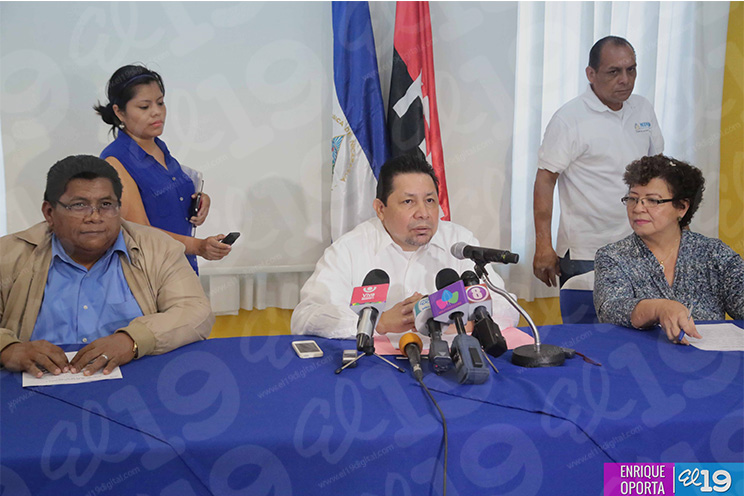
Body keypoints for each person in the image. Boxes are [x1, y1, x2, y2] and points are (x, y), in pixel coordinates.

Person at [0, 156, 215, 377]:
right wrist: (7, 348)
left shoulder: (158, 248)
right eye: (79, 205)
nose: (95, 217)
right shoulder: (8, 254)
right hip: (37, 386)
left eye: (106, 205)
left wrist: (132, 340)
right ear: (49, 213)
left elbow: (195, 311)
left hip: (135, 384)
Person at [291, 155, 519, 339]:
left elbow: (507, 307)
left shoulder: (459, 242)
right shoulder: (350, 249)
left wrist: (456, 321)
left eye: (430, 200)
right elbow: (306, 316)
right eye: (408, 201)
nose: (423, 213)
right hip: (375, 369)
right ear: (380, 209)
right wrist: (377, 324)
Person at [533, 36, 664, 288]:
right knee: (588, 316)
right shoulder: (569, 118)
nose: (625, 79)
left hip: (640, 245)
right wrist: (543, 245)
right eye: (614, 72)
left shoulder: (642, 108)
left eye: (631, 70)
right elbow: (545, 180)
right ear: (591, 74)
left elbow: (658, 172)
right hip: (586, 251)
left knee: (645, 313)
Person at [94, 64, 231, 273]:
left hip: (181, 267)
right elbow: (140, 232)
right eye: (144, 107)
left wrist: (201, 201)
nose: (157, 112)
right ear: (119, 112)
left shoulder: (160, 148)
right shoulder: (115, 160)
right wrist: (199, 247)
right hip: (148, 275)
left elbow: (168, 200)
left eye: (160, 103)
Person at [594, 155, 744, 343]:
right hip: (641, 357)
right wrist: (659, 308)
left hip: (710, 358)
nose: (638, 208)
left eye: (652, 200)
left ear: (682, 207)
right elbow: (611, 309)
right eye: (633, 199)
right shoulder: (613, 256)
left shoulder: (714, 253)